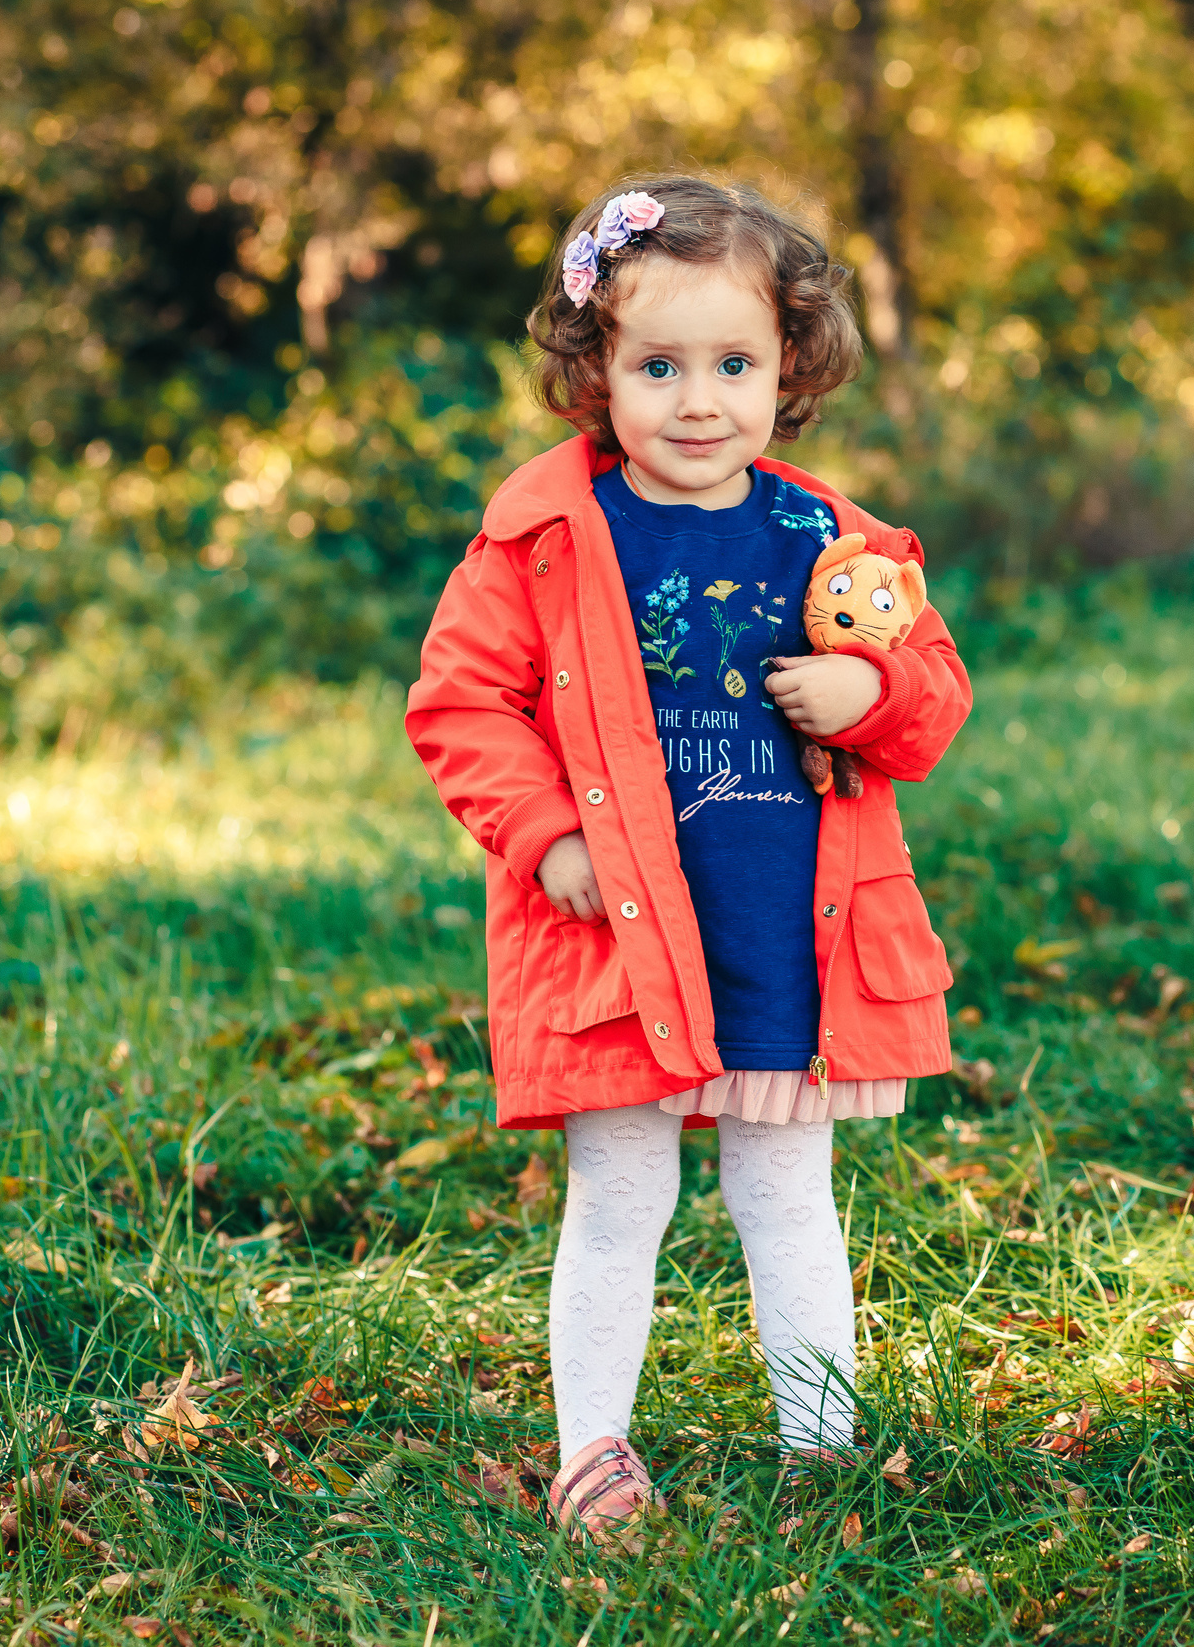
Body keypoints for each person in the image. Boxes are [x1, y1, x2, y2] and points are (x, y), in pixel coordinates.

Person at [405, 175, 970, 1546]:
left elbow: (934, 692)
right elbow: (462, 702)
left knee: (785, 1194)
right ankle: (592, 1453)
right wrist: (545, 835)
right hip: (616, 938)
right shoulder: (547, 538)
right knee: (620, 1194)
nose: (699, 401)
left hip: (780, 936)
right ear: (595, 369)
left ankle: (820, 1450)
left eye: (735, 365)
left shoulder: (832, 540)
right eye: (659, 366)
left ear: (790, 365)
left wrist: (872, 695)